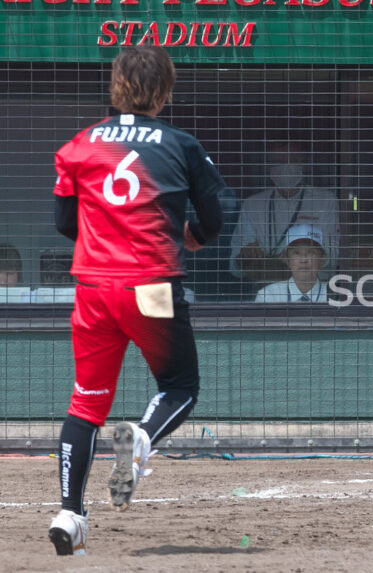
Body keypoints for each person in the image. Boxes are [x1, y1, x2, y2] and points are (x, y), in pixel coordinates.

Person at [48, 45, 227, 556]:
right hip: (150, 285)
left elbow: (64, 223)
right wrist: (188, 235)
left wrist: (103, 236)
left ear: (116, 86)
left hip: (93, 288)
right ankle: (144, 437)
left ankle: (69, 514)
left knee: (85, 403)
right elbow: (215, 221)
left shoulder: (79, 145)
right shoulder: (181, 145)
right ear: (165, 91)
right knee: (181, 386)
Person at [230, 143, 339, 286]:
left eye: (294, 160)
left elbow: (336, 254)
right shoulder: (252, 205)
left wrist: (299, 255)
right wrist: (244, 257)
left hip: (314, 290)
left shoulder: (325, 201)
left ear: (304, 165)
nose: (287, 166)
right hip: (265, 290)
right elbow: (234, 266)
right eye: (279, 161)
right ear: (268, 167)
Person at [254, 223, 328, 303]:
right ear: (287, 259)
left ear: (322, 259)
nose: (303, 260)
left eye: (311, 253)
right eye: (296, 253)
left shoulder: (335, 296)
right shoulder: (268, 296)